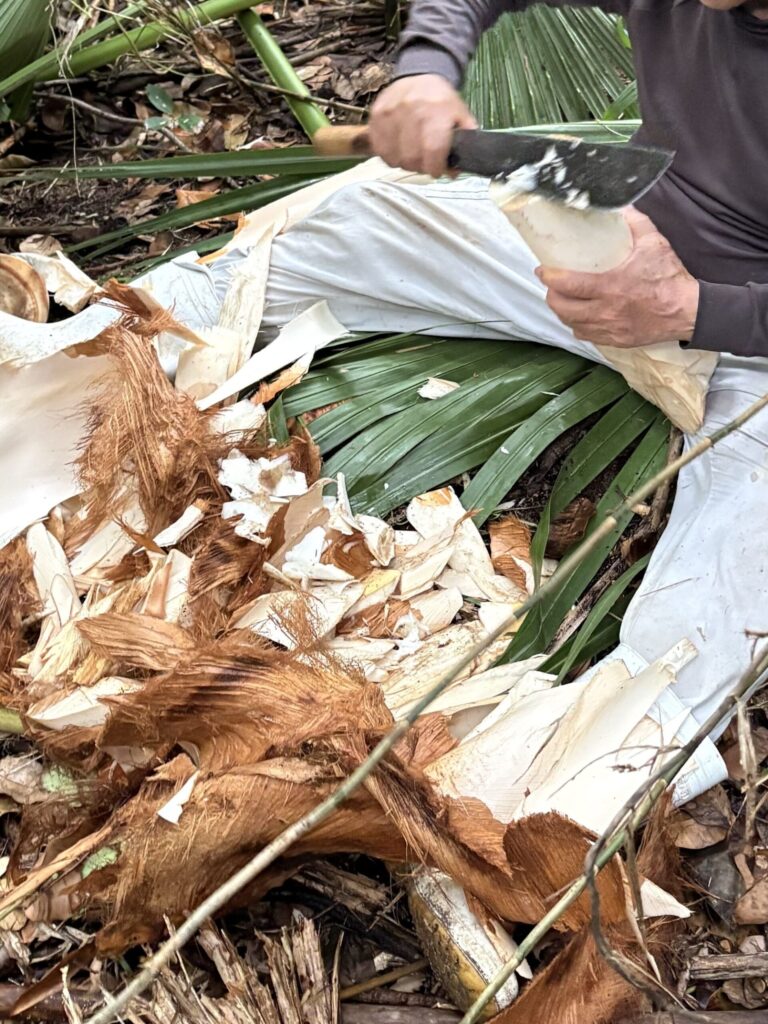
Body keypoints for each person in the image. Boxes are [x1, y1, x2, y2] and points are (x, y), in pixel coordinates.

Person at [259, 0, 768, 733]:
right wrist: (426, 71)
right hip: (607, 253)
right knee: (344, 227)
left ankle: (556, 803)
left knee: (699, 636)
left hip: (752, 345)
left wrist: (692, 310)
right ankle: (79, 344)